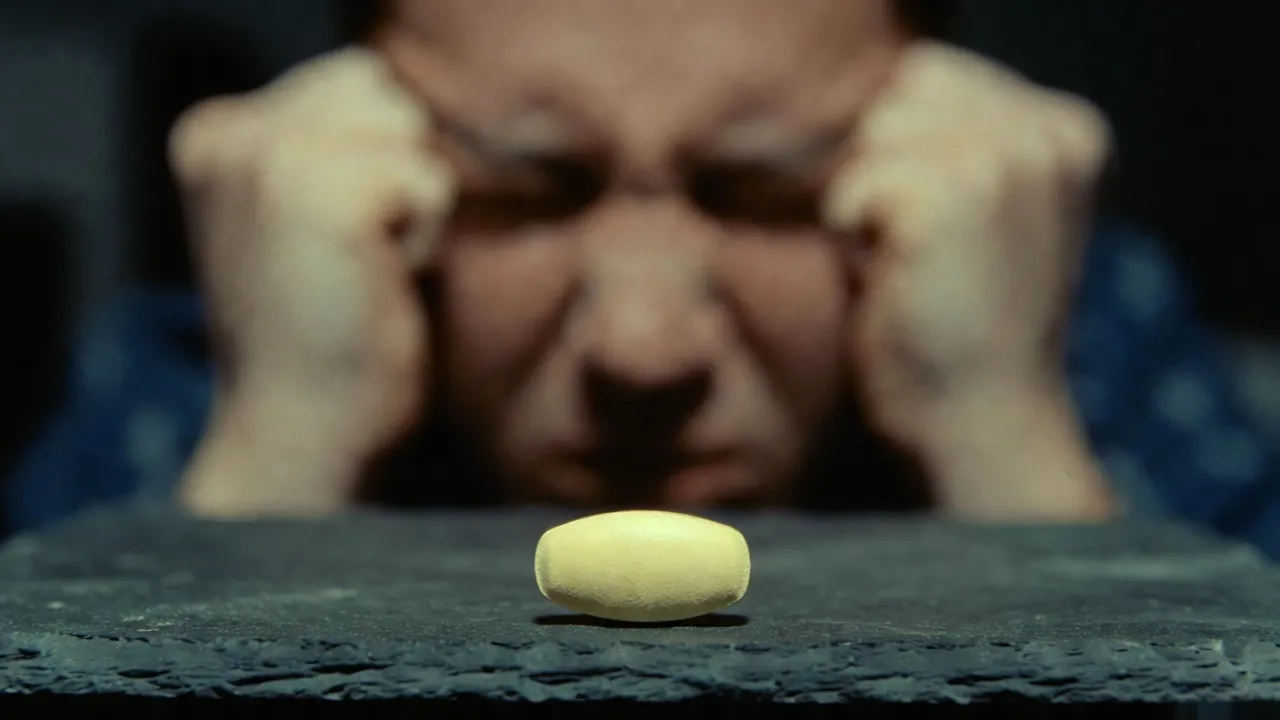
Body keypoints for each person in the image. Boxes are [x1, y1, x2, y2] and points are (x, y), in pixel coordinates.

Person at [7, 0, 1279, 555]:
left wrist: (1001, 441)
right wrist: (279, 447)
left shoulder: (1073, 350)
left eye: (770, 189)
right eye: (520, 189)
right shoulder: (204, 376)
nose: (643, 349)